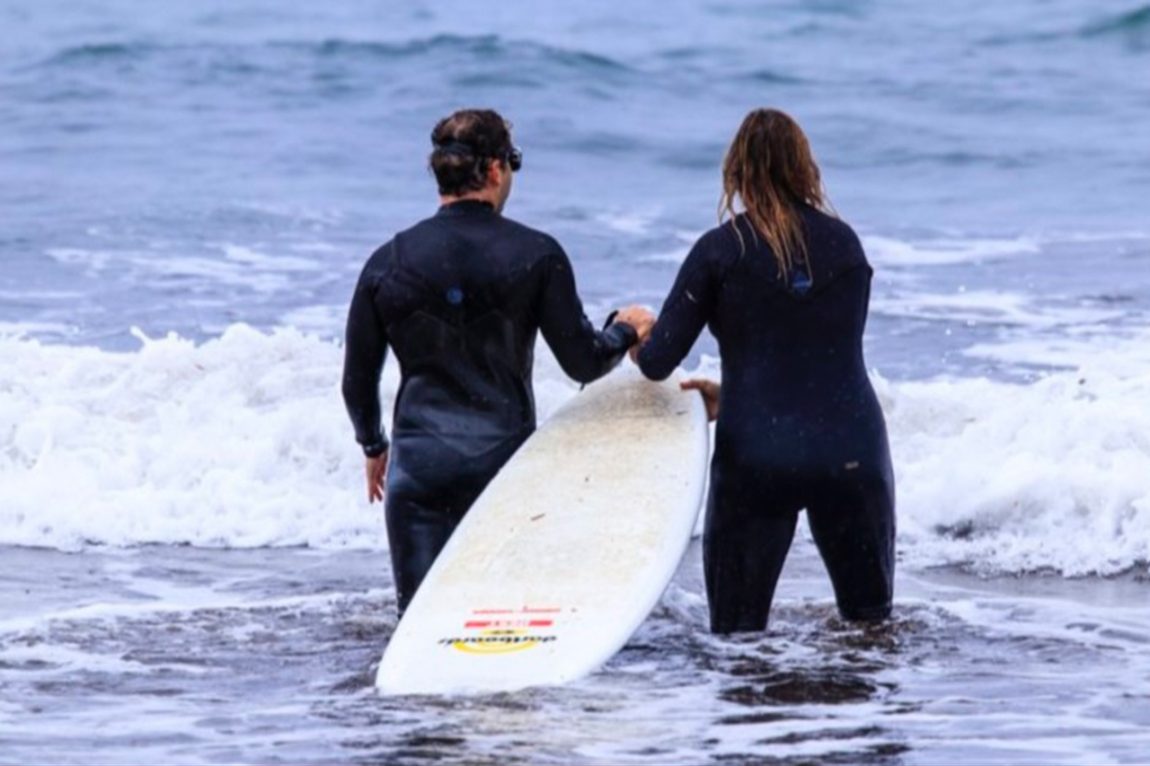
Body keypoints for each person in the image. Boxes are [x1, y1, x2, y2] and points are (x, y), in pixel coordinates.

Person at [341, 108, 653, 616]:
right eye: (513, 162)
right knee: (502, 633)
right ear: (493, 170)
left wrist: (374, 444)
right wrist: (626, 328)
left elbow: (357, 381)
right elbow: (584, 361)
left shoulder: (388, 260)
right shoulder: (537, 254)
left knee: (422, 637)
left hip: (418, 475)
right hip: (504, 473)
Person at [633, 108, 895, 633]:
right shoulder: (846, 246)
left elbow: (660, 359)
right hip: (850, 453)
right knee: (871, 633)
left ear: (736, 173)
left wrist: (638, 331)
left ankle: (761, 717)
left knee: (737, 639)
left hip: (758, 456)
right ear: (806, 169)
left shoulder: (720, 251)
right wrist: (741, 393)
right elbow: (818, 357)